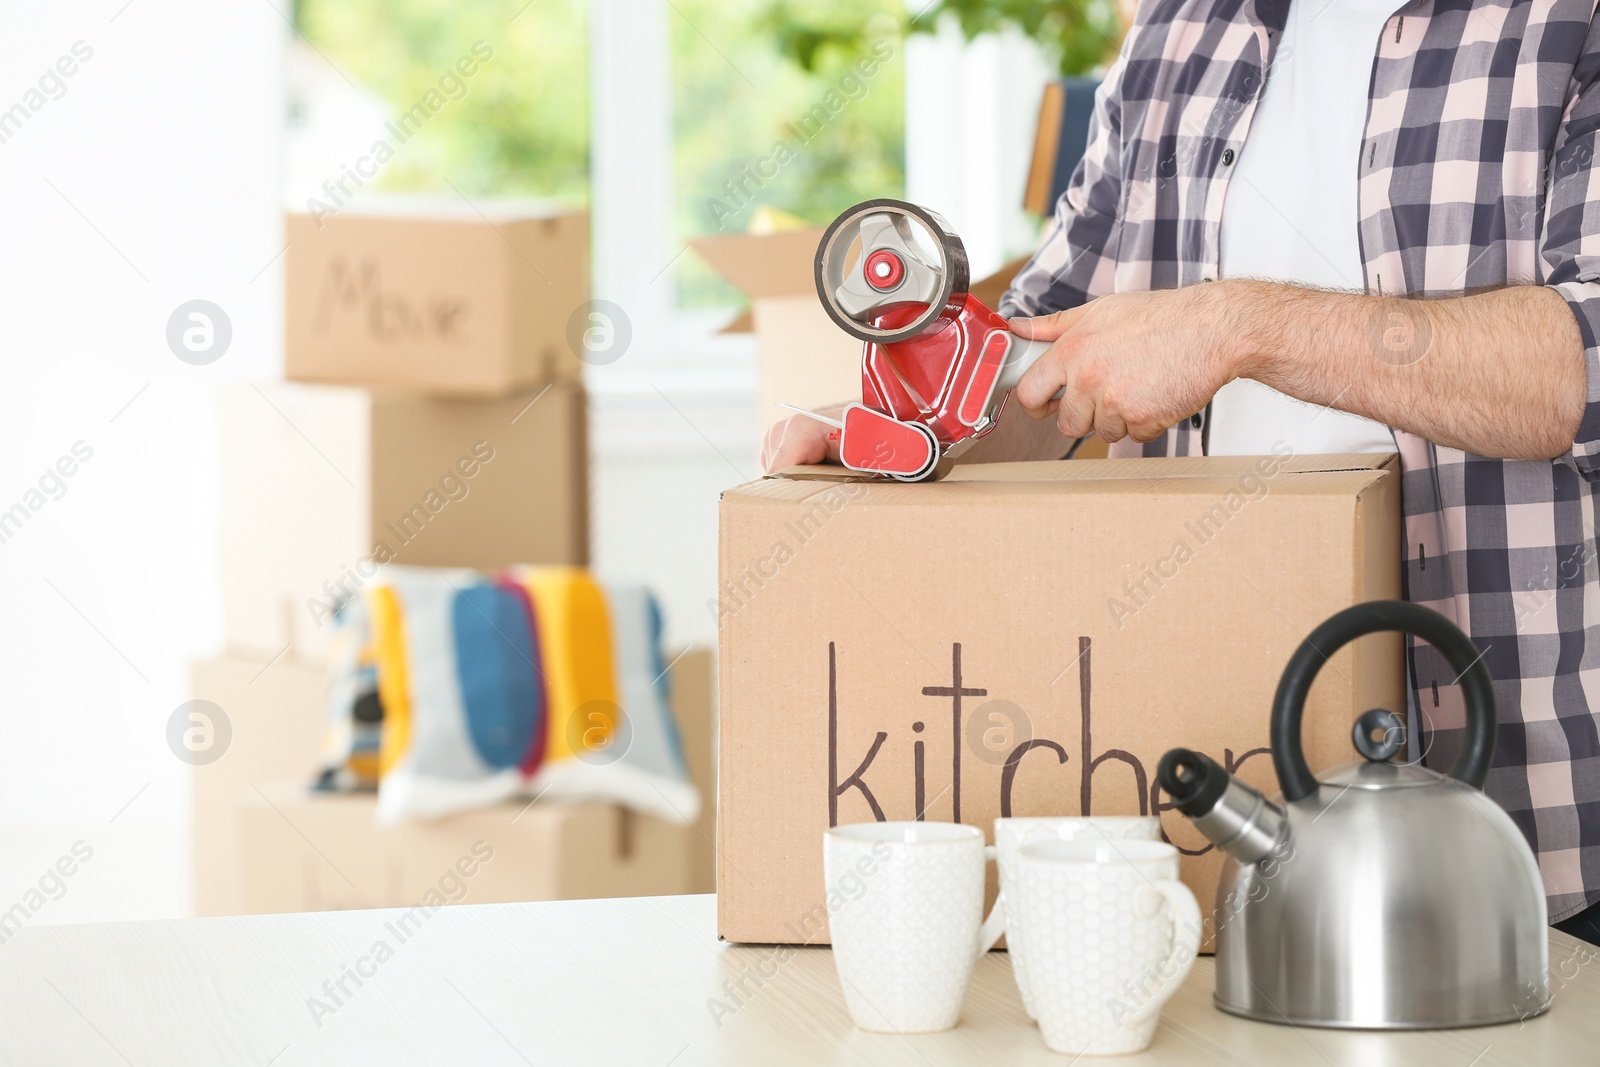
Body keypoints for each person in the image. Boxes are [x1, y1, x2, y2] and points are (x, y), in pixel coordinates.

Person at [763, 2, 1600, 943]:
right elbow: (1043, 363)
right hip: (1203, 800)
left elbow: (1583, 365)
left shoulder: (1567, 24)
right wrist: (899, 427)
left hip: (1525, 826)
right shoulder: (1184, 27)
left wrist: (1235, 327)